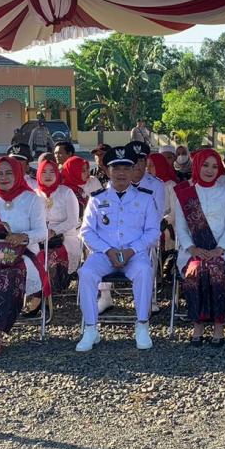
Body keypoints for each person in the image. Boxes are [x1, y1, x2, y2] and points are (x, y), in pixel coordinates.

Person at [76, 146, 161, 352]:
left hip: (134, 254)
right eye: (116, 168)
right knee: (86, 272)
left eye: (126, 168)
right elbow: (86, 231)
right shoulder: (97, 199)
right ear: (107, 171)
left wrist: (131, 250)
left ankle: (142, 326)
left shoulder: (145, 198)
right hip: (104, 254)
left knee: (144, 271)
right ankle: (90, 328)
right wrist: (108, 251)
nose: (121, 173)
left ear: (133, 171)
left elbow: (153, 231)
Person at [0, 157, 48, 358]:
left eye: (9, 172)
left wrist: (24, 237)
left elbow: (42, 231)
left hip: (24, 255)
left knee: (9, 276)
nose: (4, 177)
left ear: (18, 174)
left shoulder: (32, 199)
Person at [174, 148, 225, 345]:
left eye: (214, 166)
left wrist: (219, 249)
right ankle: (198, 325)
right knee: (195, 270)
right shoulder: (184, 192)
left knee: (216, 269)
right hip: (192, 251)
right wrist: (192, 249)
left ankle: (219, 326)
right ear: (196, 166)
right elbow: (181, 227)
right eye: (205, 165)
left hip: (222, 250)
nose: (210, 170)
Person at [34, 157, 81, 299]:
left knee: (52, 256)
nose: (48, 175)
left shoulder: (66, 192)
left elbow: (73, 220)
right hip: (38, 237)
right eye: (44, 172)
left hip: (65, 236)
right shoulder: (33, 194)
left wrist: (54, 231)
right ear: (38, 174)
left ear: (57, 174)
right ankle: (37, 292)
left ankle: (44, 293)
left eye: (51, 172)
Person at [127, 141, 166, 222]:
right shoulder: (118, 183)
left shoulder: (157, 185)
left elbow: (158, 215)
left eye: (141, 160)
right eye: (134, 160)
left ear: (146, 163)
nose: (137, 164)